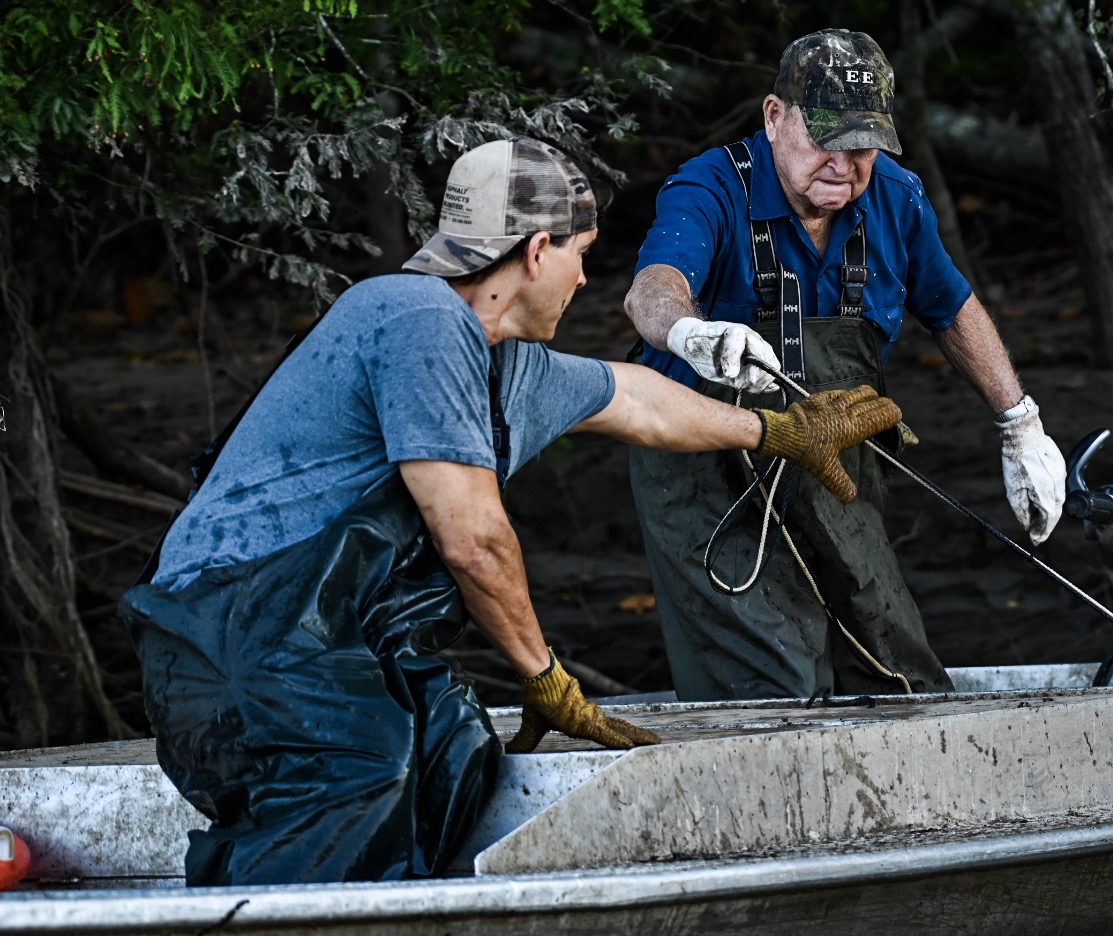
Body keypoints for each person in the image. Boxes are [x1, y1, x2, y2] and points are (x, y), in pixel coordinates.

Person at [120, 137, 901, 886]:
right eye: (580, 257)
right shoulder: (419, 320)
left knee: (451, 751)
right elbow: (474, 540)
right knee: (358, 764)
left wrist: (780, 432)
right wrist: (546, 679)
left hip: (313, 636)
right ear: (536, 251)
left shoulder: (503, 362)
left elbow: (638, 402)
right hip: (228, 630)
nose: (584, 283)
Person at [624, 28, 1068, 702]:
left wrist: (1019, 423)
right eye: (826, 139)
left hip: (835, 457)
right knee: (776, 677)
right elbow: (651, 289)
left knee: (891, 662)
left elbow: (951, 308)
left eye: (862, 145)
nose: (844, 164)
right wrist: (691, 334)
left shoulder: (894, 196)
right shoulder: (712, 185)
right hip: (706, 472)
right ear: (775, 118)